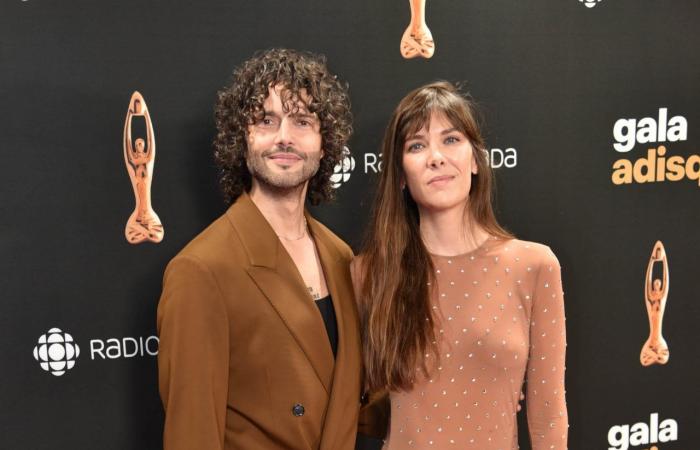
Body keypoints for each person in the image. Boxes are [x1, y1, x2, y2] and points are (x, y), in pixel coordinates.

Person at [157, 48, 364, 450]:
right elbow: (192, 435)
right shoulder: (202, 269)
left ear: (325, 145)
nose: (284, 136)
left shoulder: (342, 258)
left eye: (302, 120)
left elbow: (353, 401)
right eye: (266, 120)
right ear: (243, 138)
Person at [352, 81, 568, 449]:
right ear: (401, 175)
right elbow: (351, 401)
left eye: (451, 140)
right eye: (417, 145)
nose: (435, 157)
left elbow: (548, 415)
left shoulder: (534, 265)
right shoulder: (367, 274)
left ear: (475, 161)